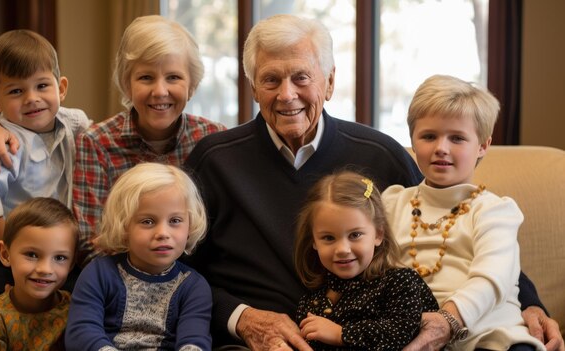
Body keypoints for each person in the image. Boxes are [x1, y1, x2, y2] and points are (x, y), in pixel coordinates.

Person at [183, 14, 563, 351]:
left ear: (329, 83)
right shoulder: (214, 160)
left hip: (362, 336)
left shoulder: (378, 154)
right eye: (270, 79)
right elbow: (174, 270)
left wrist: (529, 303)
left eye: (301, 77)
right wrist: (243, 318)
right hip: (255, 341)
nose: (287, 94)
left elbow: (455, 216)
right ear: (252, 88)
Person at [0, 15, 226, 266]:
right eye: (145, 77)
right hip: (117, 277)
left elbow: (227, 229)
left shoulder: (213, 140)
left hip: (200, 275)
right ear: (127, 84)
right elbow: (89, 243)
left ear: (192, 85)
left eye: (174, 77)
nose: (160, 91)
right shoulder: (97, 142)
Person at [382, 74, 548, 351]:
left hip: (489, 333)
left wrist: (448, 320)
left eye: (457, 138)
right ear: (413, 140)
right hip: (411, 332)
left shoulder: (496, 211)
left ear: (483, 145)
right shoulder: (392, 203)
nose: (441, 149)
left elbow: (491, 278)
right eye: (429, 136)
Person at [0, 29, 90, 351]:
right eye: (16, 91)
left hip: (52, 250)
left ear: (61, 87)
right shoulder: (1, 143)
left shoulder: (75, 123)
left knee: (89, 298)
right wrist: (14, 251)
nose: (32, 98)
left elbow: (104, 139)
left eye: (42, 85)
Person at [65, 162, 212, 350]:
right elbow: (81, 332)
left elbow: (194, 339)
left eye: (175, 221)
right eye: (148, 221)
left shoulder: (194, 287)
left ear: (190, 226)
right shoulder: (98, 273)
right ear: (124, 226)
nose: (163, 233)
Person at [293, 171, 439, 350]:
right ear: (314, 241)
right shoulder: (313, 300)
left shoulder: (399, 282)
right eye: (329, 238)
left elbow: (400, 332)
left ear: (378, 234)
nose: (343, 250)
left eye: (355, 235)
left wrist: (342, 334)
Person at [0, 197, 78, 350]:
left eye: (60, 258)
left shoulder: (76, 309)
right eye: (32, 255)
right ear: (5, 254)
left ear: (72, 263)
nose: (45, 269)